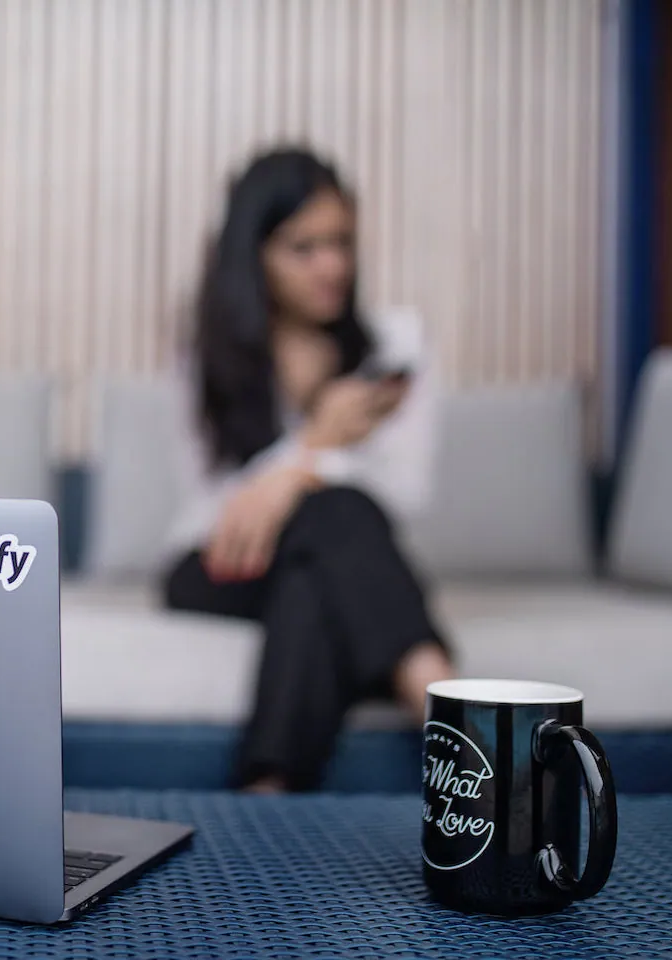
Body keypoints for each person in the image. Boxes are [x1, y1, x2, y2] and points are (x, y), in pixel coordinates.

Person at [159, 147, 455, 794]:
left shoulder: (393, 345)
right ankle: (459, 722)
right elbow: (219, 514)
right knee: (330, 517)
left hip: (332, 557)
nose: (333, 265)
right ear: (255, 254)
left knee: (315, 578)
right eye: (304, 246)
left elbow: (402, 496)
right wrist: (313, 447)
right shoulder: (211, 352)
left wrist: (296, 477)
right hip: (216, 563)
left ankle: (268, 791)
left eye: (342, 242)